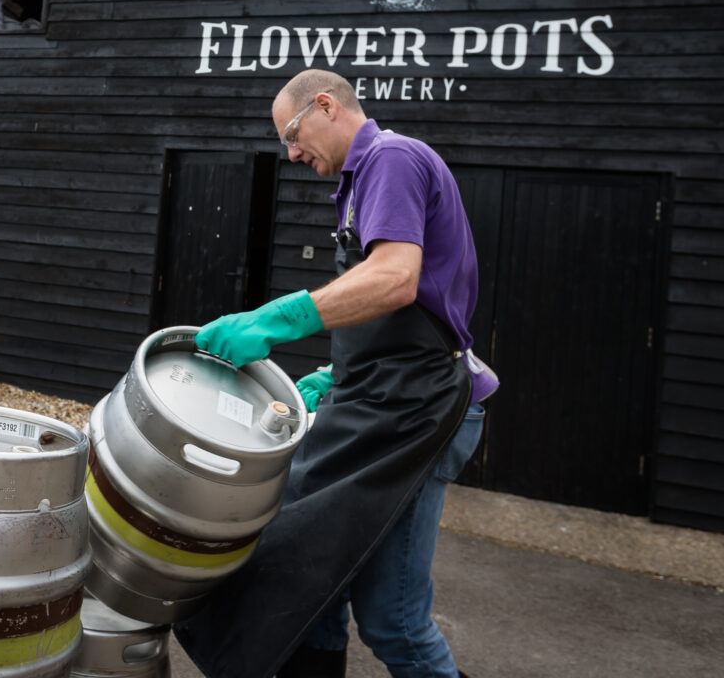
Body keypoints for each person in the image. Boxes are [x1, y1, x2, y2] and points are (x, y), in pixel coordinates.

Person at [172, 69, 497, 678]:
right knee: (306, 578)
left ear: (325, 105)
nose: (292, 154)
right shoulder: (355, 184)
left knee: (392, 620)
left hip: (419, 410)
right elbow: (389, 300)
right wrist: (333, 370)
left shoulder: (390, 158)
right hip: (376, 395)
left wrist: (278, 317)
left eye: (293, 136)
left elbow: (397, 279)